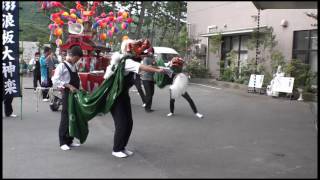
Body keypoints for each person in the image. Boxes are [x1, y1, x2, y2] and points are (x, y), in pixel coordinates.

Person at [104, 39, 168, 158]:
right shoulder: (125, 61)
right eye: (134, 47)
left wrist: (160, 66)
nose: (137, 49)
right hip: (115, 97)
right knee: (122, 123)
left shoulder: (130, 60)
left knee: (129, 122)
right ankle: (116, 149)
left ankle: (122, 147)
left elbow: (144, 61)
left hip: (123, 96)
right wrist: (158, 70)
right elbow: (142, 67)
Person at [51, 46, 83, 151]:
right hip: (67, 94)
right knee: (65, 117)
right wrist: (68, 86)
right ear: (72, 56)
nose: (77, 61)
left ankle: (70, 140)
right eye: (77, 59)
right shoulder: (62, 66)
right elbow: (54, 80)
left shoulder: (74, 66)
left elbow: (77, 79)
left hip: (75, 95)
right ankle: (62, 142)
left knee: (72, 117)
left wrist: (81, 88)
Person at [141, 47, 156, 112]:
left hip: (151, 78)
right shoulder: (146, 58)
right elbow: (145, 68)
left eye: (152, 52)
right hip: (145, 78)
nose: (151, 53)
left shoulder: (153, 58)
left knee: (151, 93)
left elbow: (156, 66)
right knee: (149, 93)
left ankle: (149, 107)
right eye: (150, 52)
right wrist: (152, 65)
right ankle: (147, 108)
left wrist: (155, 64)